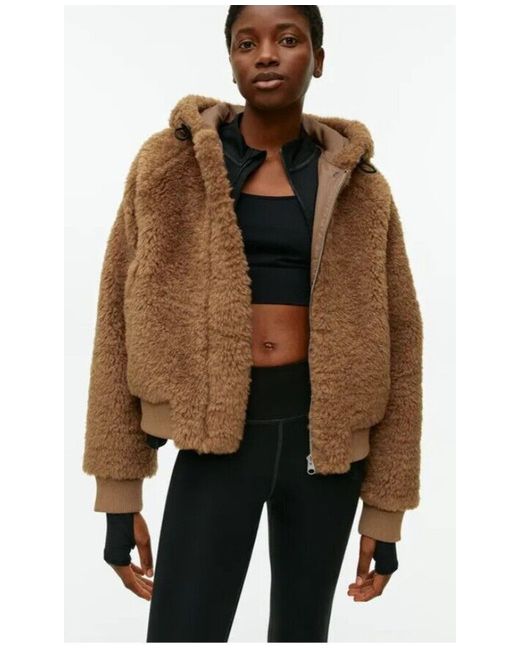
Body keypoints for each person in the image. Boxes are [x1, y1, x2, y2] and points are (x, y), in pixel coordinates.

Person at [82, 4, 423, 643]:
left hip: (324, 449)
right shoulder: (167, 167)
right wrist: (118, 494)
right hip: (215, 442)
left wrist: (385, 511)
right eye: (247, 42)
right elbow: (116, 320)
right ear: (232, 61)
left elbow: (402, 339)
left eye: (287, 39)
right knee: (182, 632)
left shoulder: (361, 187)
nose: (266, 54)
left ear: (318, 59)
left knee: (301, 633)